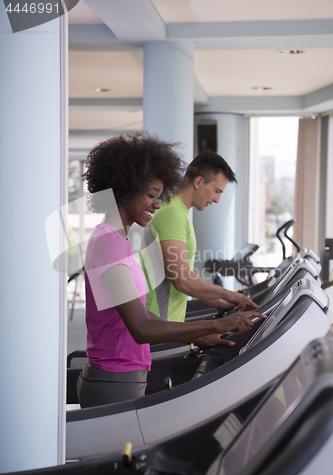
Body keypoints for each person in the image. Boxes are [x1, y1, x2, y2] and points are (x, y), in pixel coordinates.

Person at [77, 134, 265, 408]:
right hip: (114, 378)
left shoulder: (118, 240)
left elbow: (135, 310)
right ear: (124, 188)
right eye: (151, 195)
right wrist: (219, 324)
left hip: (125, 374)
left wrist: (198, 335)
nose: (157, 203)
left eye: (159, 196)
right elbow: (141, 327)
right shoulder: (108, 243)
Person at [142, 150, 259, 346]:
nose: (216, 199)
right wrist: (228, 294)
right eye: (217, 191)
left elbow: (176, 279)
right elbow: (182, 280)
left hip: (168, 325)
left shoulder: (178, 212)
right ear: (198, 182)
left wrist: (218, 302)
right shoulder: (172, 214)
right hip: (159, 327)